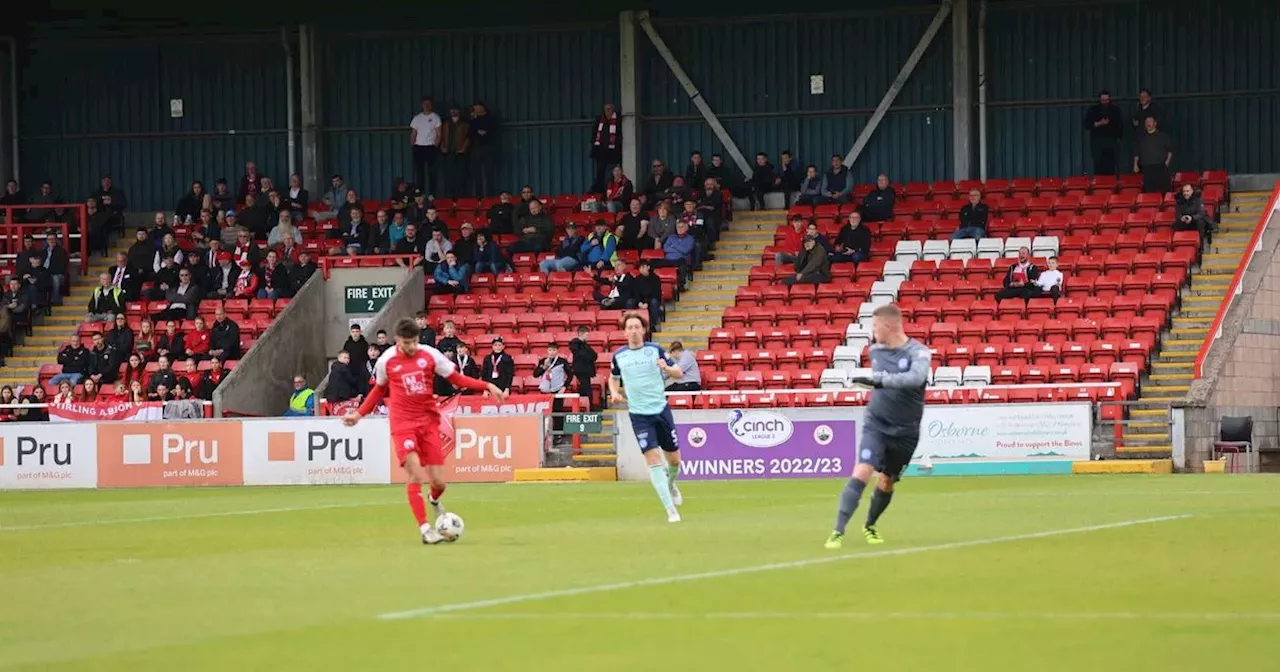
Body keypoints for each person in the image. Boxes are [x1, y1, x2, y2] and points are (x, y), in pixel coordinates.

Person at [344, 318, 506, 545]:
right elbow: (379, 390)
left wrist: (487, 385)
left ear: (417, 339)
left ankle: (434, 500)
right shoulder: (386, 360)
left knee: (439, 483)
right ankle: (425, 529)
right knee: (416, 475)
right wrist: (358, 414)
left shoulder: (430, 355)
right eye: (405, 343)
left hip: (429, 422)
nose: (410, 347)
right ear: (397, 340)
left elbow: (456, 378)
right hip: (402, 424)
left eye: (413, 342)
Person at [825, 303, 931, 549]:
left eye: (875, 326)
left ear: (889, 325)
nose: (872, 332)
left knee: (886, 481)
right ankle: (837, 531)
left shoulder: (919, 353)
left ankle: (869, 525)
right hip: (877, 423)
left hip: (906, 430)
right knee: (862, 469)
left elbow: (915, 379)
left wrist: (878, 381)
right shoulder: (875, 351)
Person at [609, 312, 686, 523]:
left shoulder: (655, 350)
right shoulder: (619, 356)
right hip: (639, 415)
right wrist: (614, 392)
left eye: (637, 327)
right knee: (653, 460)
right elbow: (613, 378)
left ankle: (671, 485)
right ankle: (670, 510)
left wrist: (667, 368)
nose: (633, 331)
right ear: (624, 332)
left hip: (661, 410)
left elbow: (679, 373)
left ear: (643, 330)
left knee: (675, 460)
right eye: (630, 327)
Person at [1084, 91, 1124, 176]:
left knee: (1111, 168)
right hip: (1097, 145)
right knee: (1098, 168)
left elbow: (1120, 126)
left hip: (1111, 144)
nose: (1105, 102)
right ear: (1100, 100)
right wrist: (1099, 123)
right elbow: (1087, 125)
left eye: (1107, 100)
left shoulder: (1115, 110)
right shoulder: (1093, 110)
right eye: (1103, 100)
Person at [410, 97, 442, 195]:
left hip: (430, 147)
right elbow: (413, 133)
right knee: (419, 171)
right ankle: (421, 192)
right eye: (425, 104)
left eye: (428, 104)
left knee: (432, 171)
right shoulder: (417, 118)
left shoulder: (435, 117)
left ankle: (432, 193)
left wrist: (436, 144)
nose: (427, 106)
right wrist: (413, 143)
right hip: (419, 147)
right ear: (422, 105)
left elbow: (439, 134)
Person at [589, 103, 621, 194]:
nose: (608, 111)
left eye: (610, 109)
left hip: (613, 152)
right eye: (606, 109)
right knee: (600, 172)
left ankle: (613, 189)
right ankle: (599, 190)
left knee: (613, 172)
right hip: (600, 151)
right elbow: (594, 135)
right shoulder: (599, 119)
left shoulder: (618, 119)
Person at [568, 327, 598, 409]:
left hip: (586, 372)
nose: (587, 336)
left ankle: (588, 408)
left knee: (587, 391)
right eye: (586, 334)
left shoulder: (585, 345)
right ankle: (587, 409)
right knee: (585, 392)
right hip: (580, 372)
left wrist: (588, 356)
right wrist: (588, 356)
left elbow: (594, 356)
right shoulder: (575, 343)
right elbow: (582, 355)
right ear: (581, 334)